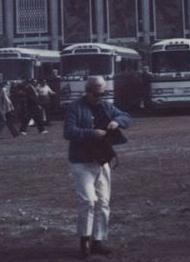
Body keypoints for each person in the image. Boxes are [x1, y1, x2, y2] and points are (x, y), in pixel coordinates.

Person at [64, 75, 132, 259]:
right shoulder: (75, 107)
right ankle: (84, 242)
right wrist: (92, 133)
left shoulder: (105, 105)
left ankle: (98, 241)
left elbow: (127, 117)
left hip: (102, 160)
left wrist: (117, 121)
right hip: (81, 161)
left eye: (103, 93)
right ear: (88, 91)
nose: (100, 97)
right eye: (97, 94)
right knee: (88, 201)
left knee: (103, 202)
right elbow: (68, 132)